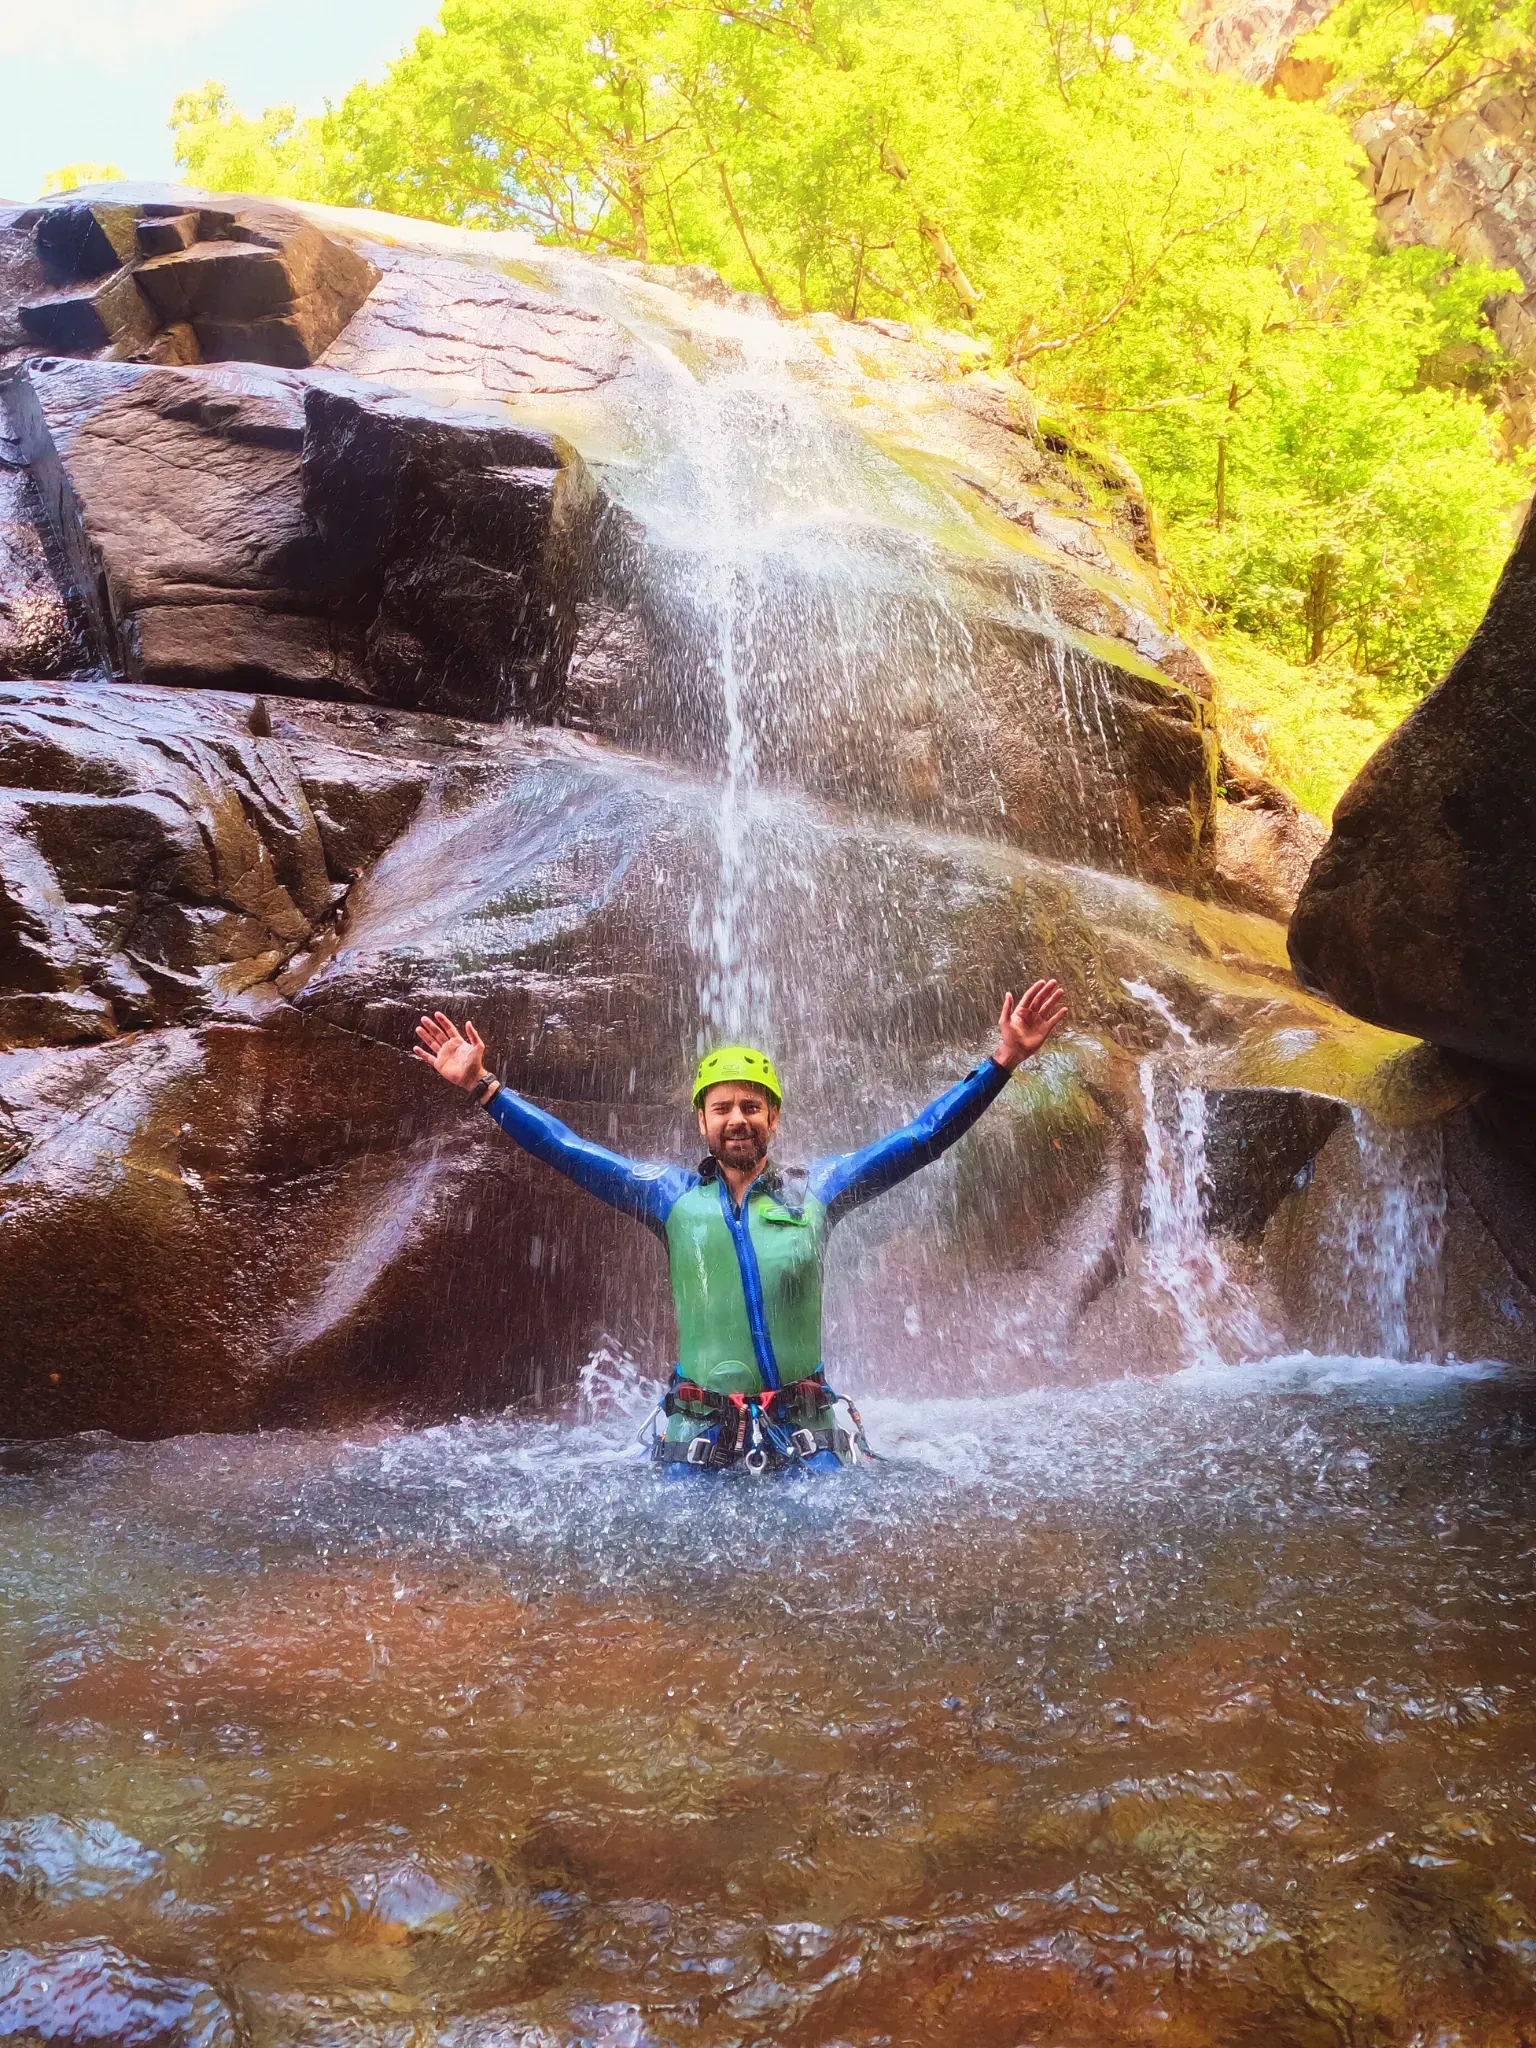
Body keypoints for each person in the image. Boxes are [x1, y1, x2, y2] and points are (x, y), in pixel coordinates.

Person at [413, 981, 1068, 1474]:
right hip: (698, 1431)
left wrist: (1002, 1062)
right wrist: (485, 1088)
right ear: (702, 1121)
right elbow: (568, 1149)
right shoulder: (669, 1197)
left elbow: (922, 1138)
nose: (737, 1119)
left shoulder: (818, 1189)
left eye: (752, 1106)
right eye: (722, 1107)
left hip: (806, 1428)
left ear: (773, 1119)